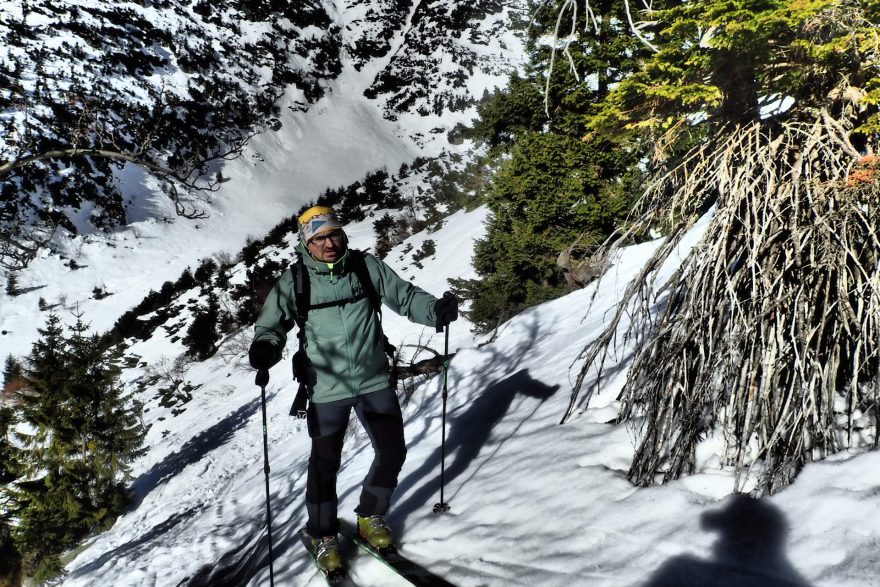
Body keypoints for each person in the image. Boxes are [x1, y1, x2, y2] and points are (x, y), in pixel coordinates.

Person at [247, 206, 459, 575]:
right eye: (319, 238)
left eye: (334, 235)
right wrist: (265, 347)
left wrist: (435, 310)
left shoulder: (366, 267)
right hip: (327, 388)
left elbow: (405, 297)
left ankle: (371, 516)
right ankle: (322, 534)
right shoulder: (295, 280)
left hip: (374, 379)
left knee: (392, 452)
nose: (329, 244)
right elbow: (271, 326)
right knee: (324, 464)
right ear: (306, 243)